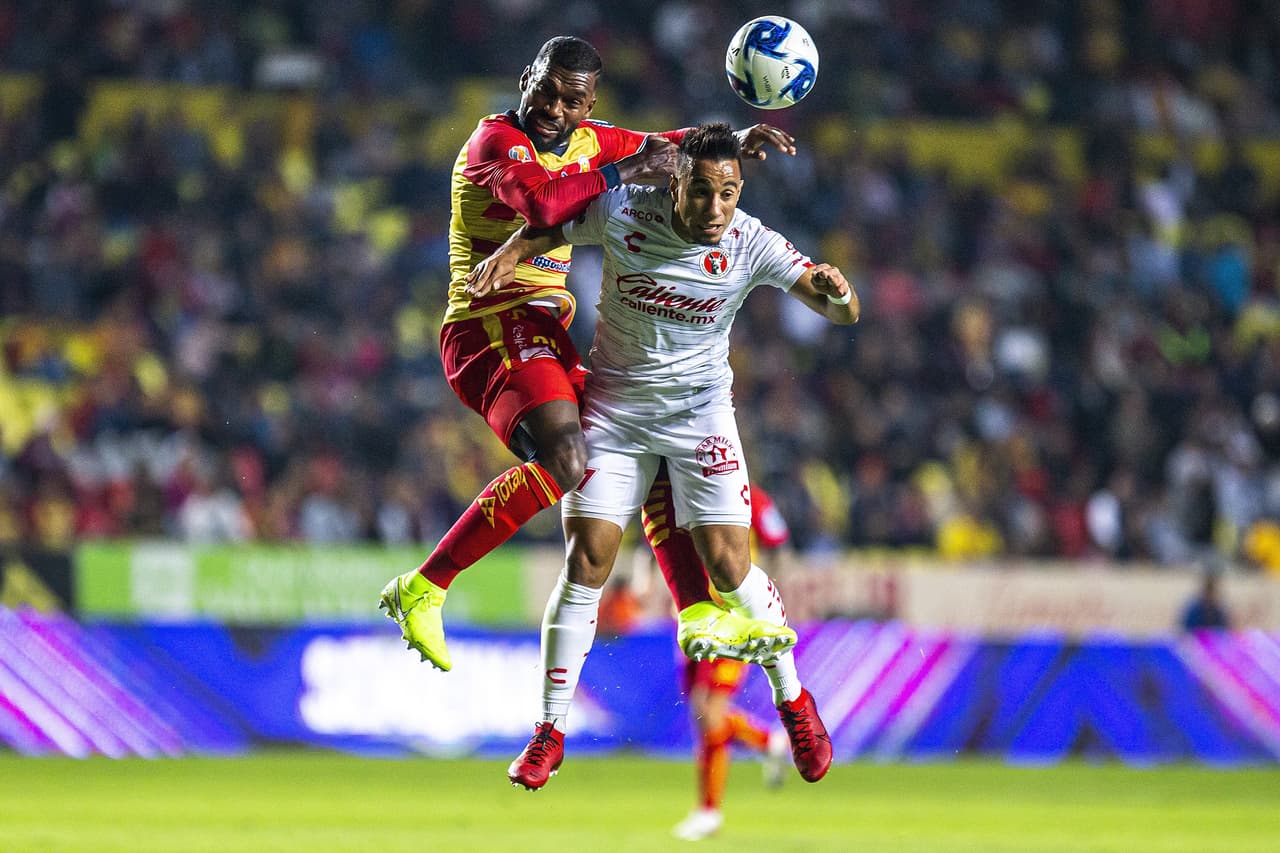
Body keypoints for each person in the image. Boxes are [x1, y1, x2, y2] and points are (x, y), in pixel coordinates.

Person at [377, 36, 800, 673]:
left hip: (544, 333)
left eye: (571, 100)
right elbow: (545, 202)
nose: (553, 107)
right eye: (544, 90)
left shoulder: (592, 139)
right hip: (490, 325)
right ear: (527, 80)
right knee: (568, 458)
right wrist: (624, 172)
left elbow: (667, 146)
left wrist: (731, 143)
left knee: (645, 451)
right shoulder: (496, 143)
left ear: (589, 103)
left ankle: (696, 610)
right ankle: (425, 587)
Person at [469, 122, 858, 790]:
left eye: (728, 194)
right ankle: (549, 730)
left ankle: (795, 703)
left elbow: (839, 309)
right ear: (675, 182)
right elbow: (555, 226)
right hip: (617, 412)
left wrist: (839, 292)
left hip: (700, 415)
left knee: (731, 569)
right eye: (702, 192)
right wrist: (510, 251)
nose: (714, 209)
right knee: (588, 557)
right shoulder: (625, 210)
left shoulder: (751, 242)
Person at [662, 478, 793, 842]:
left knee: (711, 710)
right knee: (704, 713)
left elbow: (778, 545)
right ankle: (768, 743)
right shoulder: (678, 488)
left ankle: (708, 812)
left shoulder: (754, 498)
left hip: (732, 618)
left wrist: (764, 605)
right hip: (693, 616)